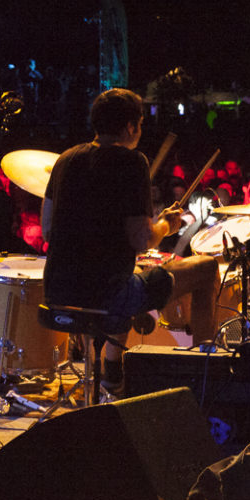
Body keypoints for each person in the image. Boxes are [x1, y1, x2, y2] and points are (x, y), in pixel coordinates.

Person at [42, 88, 220, 392]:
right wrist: (166, 224)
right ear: (130, 126)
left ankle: (111, 370)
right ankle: (207, 377)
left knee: (130, 275)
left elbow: (47, 229)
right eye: (139, 123)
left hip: (58, 294)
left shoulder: (65, 160)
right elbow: (142, 240)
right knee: (206, 268)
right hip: (107, 297)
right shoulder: (132, 162)